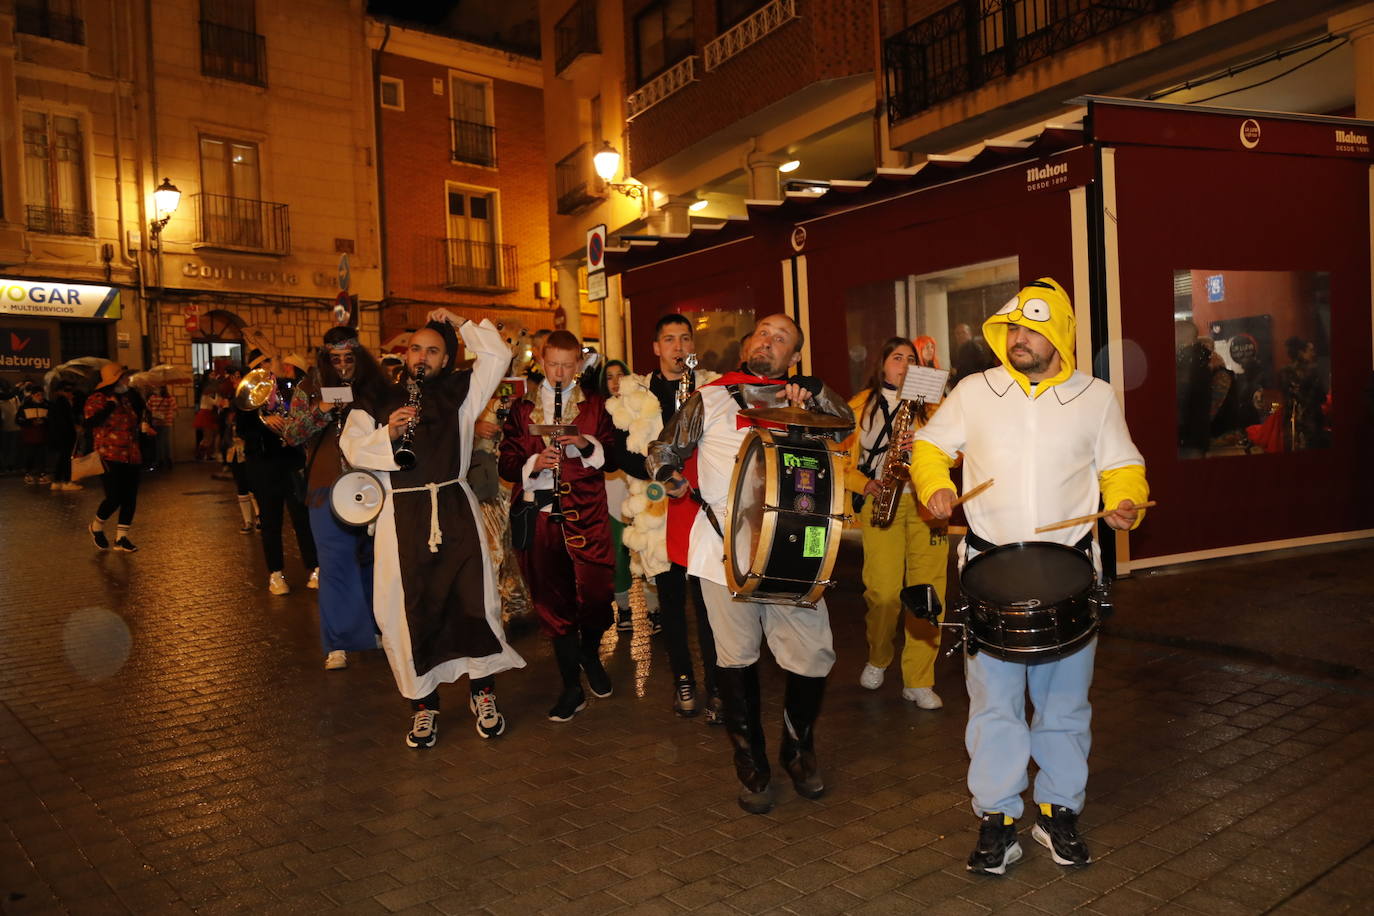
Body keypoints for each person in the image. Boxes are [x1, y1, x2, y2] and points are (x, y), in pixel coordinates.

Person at [912, 278, 1148, 876]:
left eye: (1032, 329)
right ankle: (997, 818)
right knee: (993, 705)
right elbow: (930, 447)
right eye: (1012, 327)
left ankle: (1058, 811)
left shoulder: (1094, 397)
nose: (1019, 338)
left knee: (1065, 704)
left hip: (1070, 568)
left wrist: (1125, 500)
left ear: (1059, 335)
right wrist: (936, 485)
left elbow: (1122, 465)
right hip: (991, 568)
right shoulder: (974, 391)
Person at [646, 314, 854, 814]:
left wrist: (818, 390)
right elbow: (661, 449)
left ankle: (797, 746)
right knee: (735, 657)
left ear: (794, 357)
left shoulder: (804, 398)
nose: (768, 341)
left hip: (795, 545)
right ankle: (751, 761)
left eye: (781, 338)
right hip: (722, 548)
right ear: (747, 343)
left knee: (813, 655)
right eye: (763, 332)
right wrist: (669, 474)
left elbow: (846, 423)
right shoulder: (711, 397)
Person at [342, 314, 523, 746]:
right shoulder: (375, 395)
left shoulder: (461, 389)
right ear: (406, 354)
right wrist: (389, 432)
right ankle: (423, 707)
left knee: (472, 604)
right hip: (400, 516)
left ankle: (482, 695)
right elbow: (351, 448)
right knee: (404, 613)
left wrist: (460, 322)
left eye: (433, 350)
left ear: (446, 359)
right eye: (416, 349)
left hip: (454, 510)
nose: (422, 357)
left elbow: (499, 353)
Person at [606, 315, 723, 721]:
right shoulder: (635, 393)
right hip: (659, 510)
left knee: (710, 605)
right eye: (669, 339)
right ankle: (683, 681)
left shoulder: (713, 386)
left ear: (693, 345)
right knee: (671, 603)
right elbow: (620, 453)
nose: (678, 346)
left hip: (704, 508)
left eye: (684, 339)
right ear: (656, 347)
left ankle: (718, 687)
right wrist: (662, 474)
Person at [498, 330, 618, 723]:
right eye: (553, 365)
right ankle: (571, 686)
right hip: (542, 516)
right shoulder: (523, 408)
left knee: (599, 597)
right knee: (553, 605)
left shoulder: (597, 406)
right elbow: (506, 464)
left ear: (579, 366)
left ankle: (590, 652)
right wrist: (535, 461)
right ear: (543, 363)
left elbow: (611, 456)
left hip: (588, 514)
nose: (560, 372)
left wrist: (583, 444)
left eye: (568, 365)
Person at [843, 337, 949, 708]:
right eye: (897, 357)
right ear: (882, 364)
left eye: (912, 359)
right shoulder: (859, 406)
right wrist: (863, 483)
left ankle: (918, 680)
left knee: (927, 593)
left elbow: (958, 453)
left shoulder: (935, 407)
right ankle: (878, 656)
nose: (904, 364)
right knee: (883, 593)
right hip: (881, 501)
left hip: (926, 505)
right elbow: (841, 461)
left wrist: (926, 446)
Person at [280, 327, 389, 671]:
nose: (342, 365)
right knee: (335, 565)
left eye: (349, 358)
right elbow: (292, 433)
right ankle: (339, 641)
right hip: (326, 488)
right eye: (335, 358)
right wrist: (322, 408)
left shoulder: (377, 387)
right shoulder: (308, 389)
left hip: (373, 486)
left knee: (376, 562)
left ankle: (377, 629)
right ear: (325, 359)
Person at [238, 353, 318, 595]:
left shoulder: (287, 389)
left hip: (291, 461)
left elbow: (301, 417)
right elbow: (244, 431)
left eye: (269, 362)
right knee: (271, 522)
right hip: (264, 464)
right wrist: (264, 422)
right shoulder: (247, 396)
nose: (270, 366)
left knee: (302, 518)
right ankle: (275, 574)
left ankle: (315, 568)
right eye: (264, 363)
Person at [84, 364, 154, 552]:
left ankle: (121, 538)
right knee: (114, 497)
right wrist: (110, 405)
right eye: (123, 378)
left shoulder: (127, 398)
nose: (127, 381)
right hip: (109, 454)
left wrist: (145, 424)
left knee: (130, 497)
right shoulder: (97, 398)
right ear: (113, 381)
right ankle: (96, 526)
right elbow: (91, 422)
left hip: (131, 454)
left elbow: (135, 419)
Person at [46, 382, 80, 491]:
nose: (72, 394)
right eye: (69, 392)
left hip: (59, 435)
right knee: (66, 458)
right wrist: (74, 428)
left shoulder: (55, 402)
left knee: (62, 458)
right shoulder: (62, 402)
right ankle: (66, 481)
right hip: (65, 435)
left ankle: (57, 481)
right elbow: (65, 421)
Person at [18, 383, 50, 486]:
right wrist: (31, 422)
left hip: (42, 435)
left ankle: (42, 474)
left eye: (42, 395)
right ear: (32, 395)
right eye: (37, 395)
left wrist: (44, 421)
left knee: (42, 455)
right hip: (29, 436)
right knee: (29, 455)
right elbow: (18, 420)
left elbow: (52, 419)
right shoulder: (25, 406)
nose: (40, 397)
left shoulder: (47, 405)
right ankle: (28, 473)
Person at [146, 385, 178, 469]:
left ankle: (159, 461)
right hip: (167, 422)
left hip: (156, 422)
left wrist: (155, 411)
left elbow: (148, 407)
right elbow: (175, 408)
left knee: (158, 442)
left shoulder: (153, 398)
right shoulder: (170, 398)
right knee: (166, 442)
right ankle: (167, 460)